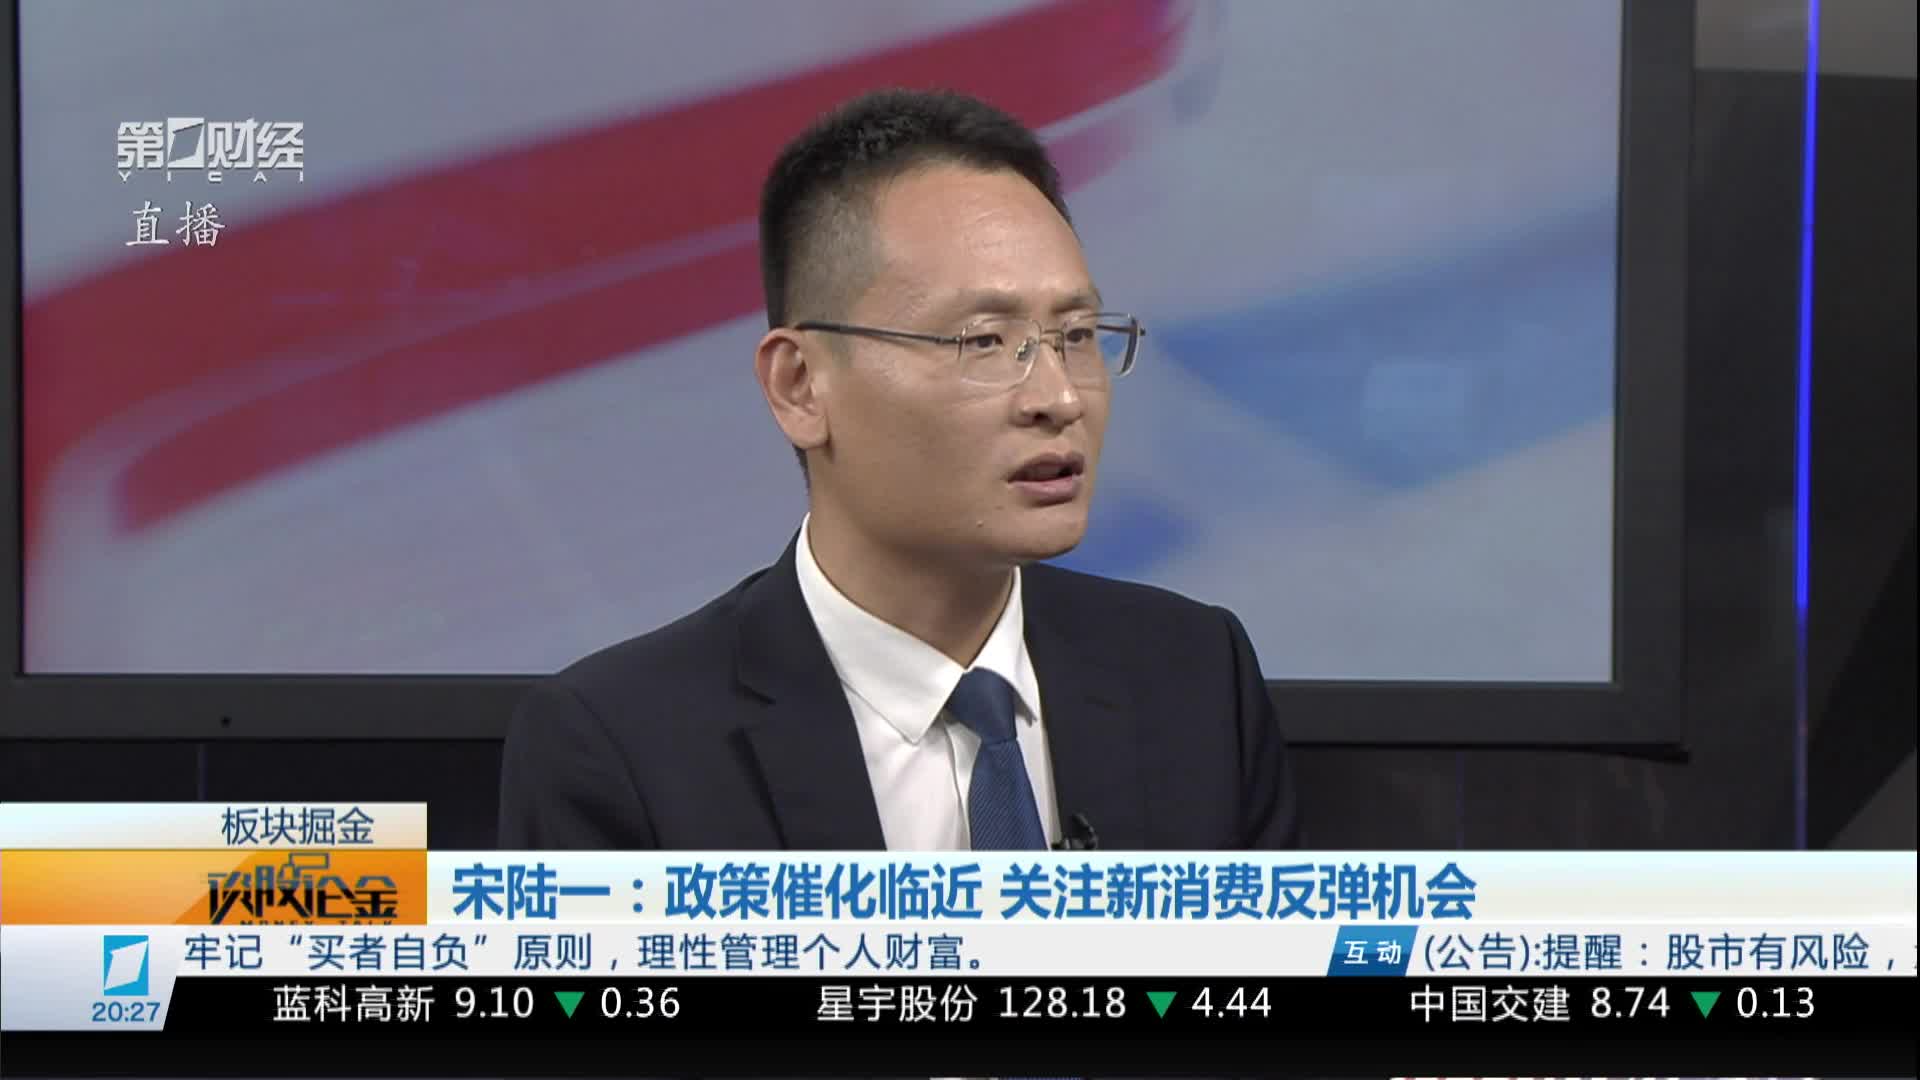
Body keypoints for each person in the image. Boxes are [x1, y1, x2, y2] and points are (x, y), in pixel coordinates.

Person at [498, 88, 1297, 851]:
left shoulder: (1194, 677)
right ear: (800, 386)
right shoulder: (621, 749)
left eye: (1078, 336)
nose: (1058, 398)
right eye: (985, 342)